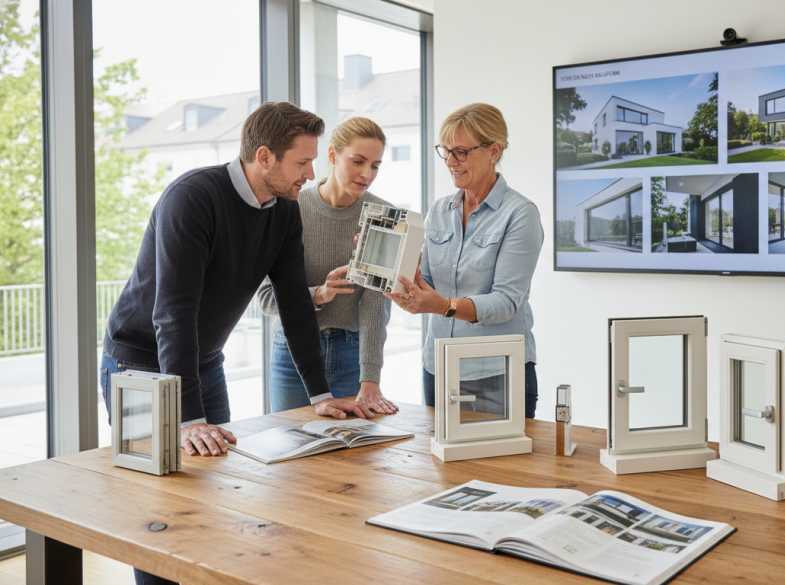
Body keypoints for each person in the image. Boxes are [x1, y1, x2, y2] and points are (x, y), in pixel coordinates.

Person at [101, 102, 374, 585]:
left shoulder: (284, 210)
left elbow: (293, 300)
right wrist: (189, 415)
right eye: (302, 163)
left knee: (210, 489)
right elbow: (173, 312)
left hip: (203, 361)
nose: (311, 175)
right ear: (264, 157)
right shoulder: (193, 197)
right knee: (160, 503)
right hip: (140, 365)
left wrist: (321, 394)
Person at [385, 103, 543, 418]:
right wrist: (393, 267)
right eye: (446, 151)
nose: (450, 162)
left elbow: (506, 302)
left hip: (496, 372)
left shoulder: (520, 214)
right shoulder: (439, 211)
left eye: (461, 152)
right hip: (438, 365)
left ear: (494, 150)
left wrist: (443, 306)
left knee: (500, 467)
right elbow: (427, 281)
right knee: (440, 465)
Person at [257, 117, 399, 415]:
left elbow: (375, 307)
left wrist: (370, 378)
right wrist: (317, 294)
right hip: (292, 351)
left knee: (352, 457)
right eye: (358, 161)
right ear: (333, 155)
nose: (366, 174)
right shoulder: (289, 209)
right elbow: (266, 299)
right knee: (292, 448)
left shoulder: (383, 217)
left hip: (352, 353)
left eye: (375, 165)